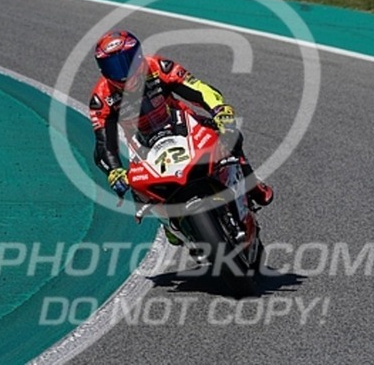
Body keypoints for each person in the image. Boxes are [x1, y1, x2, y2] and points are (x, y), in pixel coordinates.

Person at [88, 30, 273, 242]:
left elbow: (199, 89)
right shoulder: (101, 99)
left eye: (128, 62)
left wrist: (220, 110)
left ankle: (252, 184)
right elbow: (104, 144)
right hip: (143, 143)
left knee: (229, 135)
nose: (124, 72)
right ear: (103, 70)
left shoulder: (159, 67)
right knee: (138, 188)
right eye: (114, 67)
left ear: (139, 56)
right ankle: (168, 222)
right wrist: (114, 171)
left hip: (182, 124)